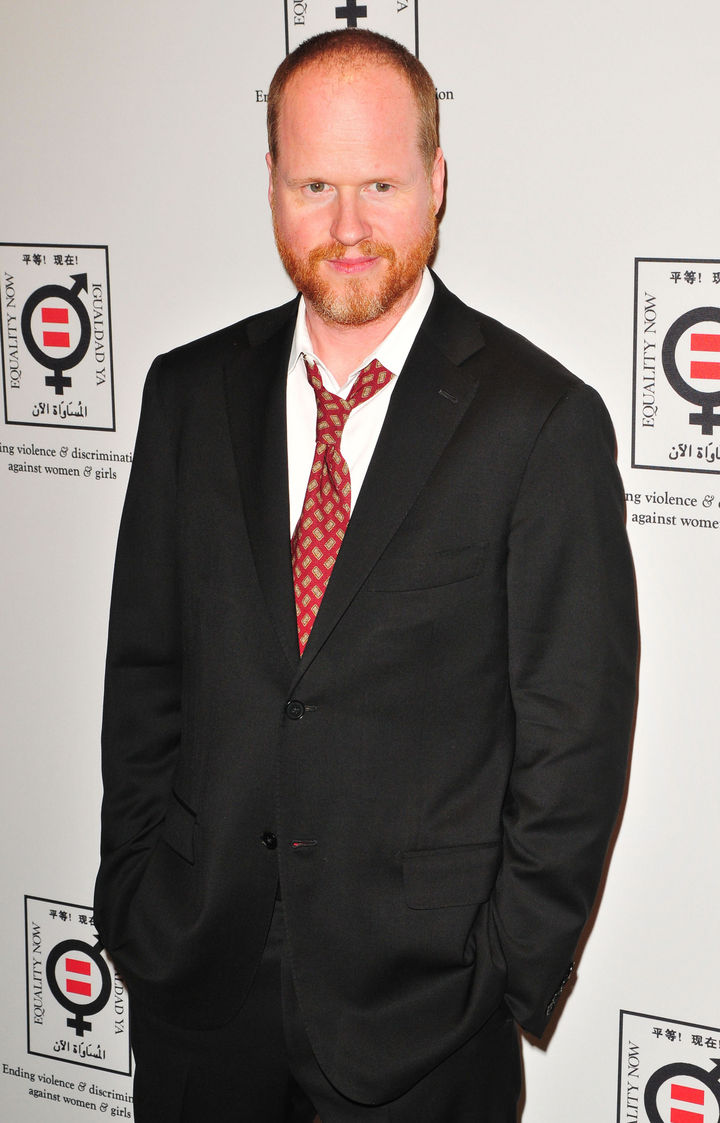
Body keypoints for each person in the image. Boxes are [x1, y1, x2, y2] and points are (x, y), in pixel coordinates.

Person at [94, 28, 638, 1123]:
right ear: (271, 183)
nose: (347, 227)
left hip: (424, 1021)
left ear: (437, 179)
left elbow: (575, 740)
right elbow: (146, 672)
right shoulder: (187, 394)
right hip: (199, 991)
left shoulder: (540, 421)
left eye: (380, 185)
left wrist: (501, 972)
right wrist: (137, 894)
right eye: (315, 186)